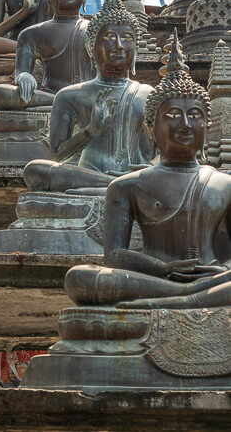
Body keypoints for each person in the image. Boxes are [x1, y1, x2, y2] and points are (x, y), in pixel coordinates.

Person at [64, 34, 231, 309]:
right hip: (153, 278)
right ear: (149, 128)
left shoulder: (225, 184)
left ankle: (184, 297)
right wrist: (162, 268)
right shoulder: (126, 186)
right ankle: (186, 295)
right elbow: (115, 255)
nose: (186, 124)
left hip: (212, 277)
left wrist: (223, 270)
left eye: (196, 115)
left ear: (208, 126)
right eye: (173, 115)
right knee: (79, 278)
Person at [24, 0, 153, 193]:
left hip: (140, 178)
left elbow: (169, 155)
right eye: (110, 38)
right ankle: (117, 186)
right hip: (90, 175)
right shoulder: (70, 95)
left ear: (136, 49)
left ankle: (125, 185)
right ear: (92, 48)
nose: (120, 46)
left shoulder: (149, 94)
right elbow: (57, 154)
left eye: (127, 38)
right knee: (36, 170)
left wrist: (151, 167)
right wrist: (91, 130)